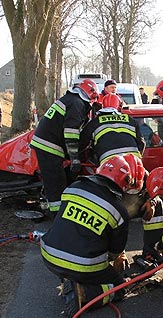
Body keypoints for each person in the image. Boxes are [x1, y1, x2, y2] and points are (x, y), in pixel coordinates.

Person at [40, 154, 145, 318]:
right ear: (123, 183)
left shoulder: (74, 187)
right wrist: (116, 262)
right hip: (83, 265)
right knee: (119, 287)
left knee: (81, 256)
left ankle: (72, 279)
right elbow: (114, 252)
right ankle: (83, 294)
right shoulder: (118, 210)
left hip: (49, 256)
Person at [30, 79, 99, 217]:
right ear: (89, 93)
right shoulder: (77, 104)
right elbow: (71, 132)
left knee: (57, 179)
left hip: (48, 143)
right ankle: (57, 216)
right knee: (56, 181)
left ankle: (56, 210)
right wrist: (74, 158)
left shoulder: (71, 100)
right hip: (49, 145)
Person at [80, 93, 145, 166]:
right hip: (133, 162)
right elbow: (141, 143)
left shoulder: (95, 122)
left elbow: (82, 142)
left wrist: (74, 157)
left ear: (103, 106)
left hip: (108, 164)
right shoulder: (130, 120)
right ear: (119, 106)